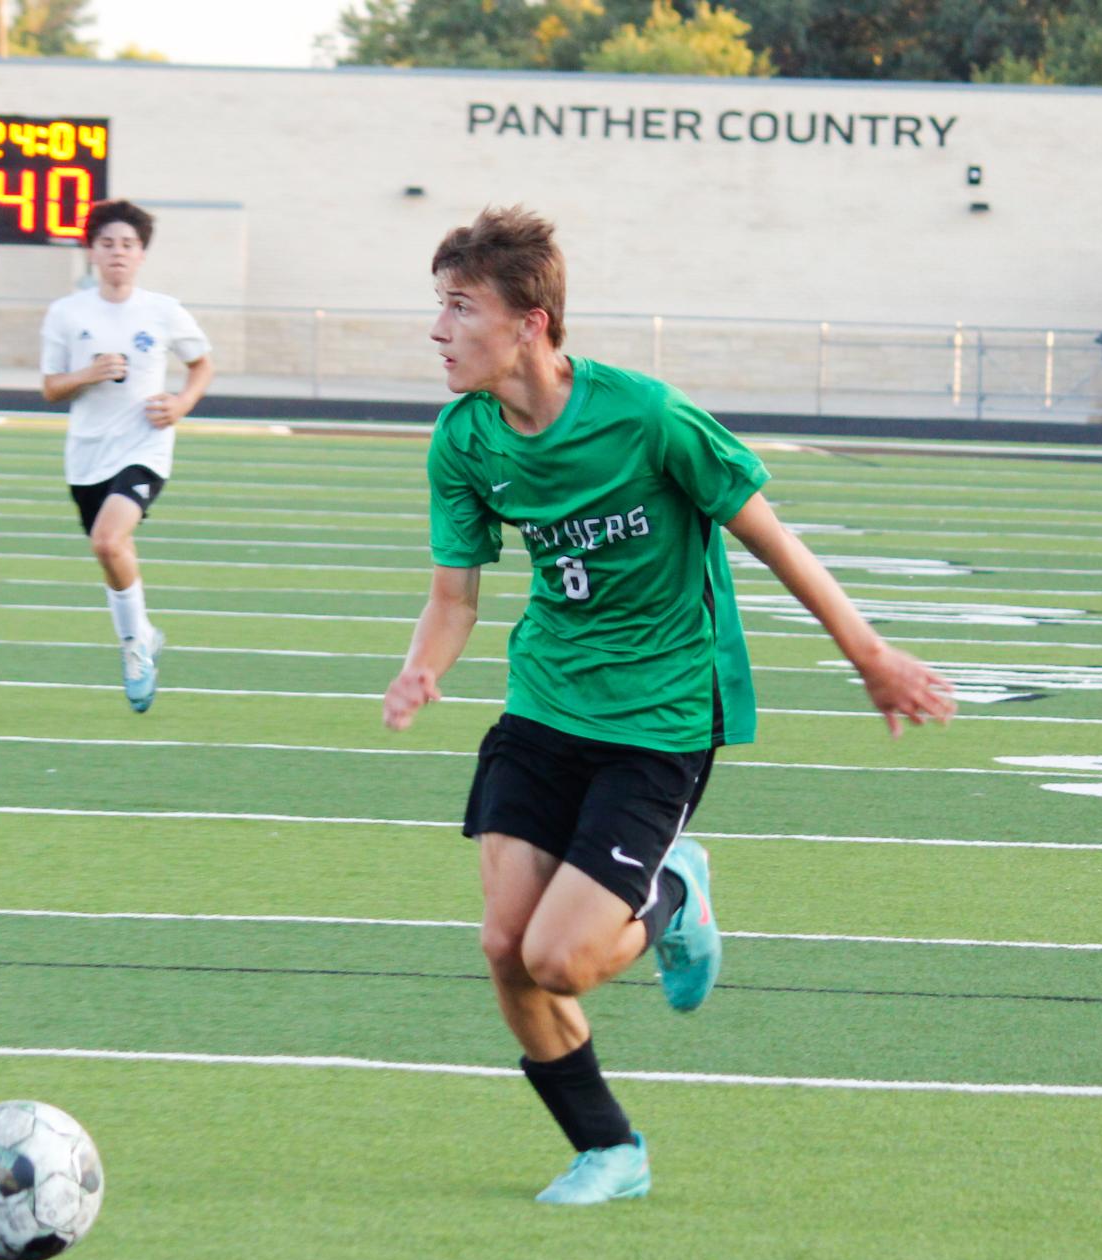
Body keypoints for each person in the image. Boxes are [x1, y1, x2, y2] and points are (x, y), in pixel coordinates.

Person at [382, 207, 954, 1204]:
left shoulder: (647, 417)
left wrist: (868, 655)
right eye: (438, 306)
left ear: (532, 321)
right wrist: (421, 666)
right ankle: (609, 1149)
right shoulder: (464, 440)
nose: (437, 330)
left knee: (559, 960)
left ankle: (675, 893)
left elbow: (771, 536)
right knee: (504, 950)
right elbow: (454, 595)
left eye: (459, 307)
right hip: (545, 706)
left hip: (661, 719)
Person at [40, 200, 214, 712]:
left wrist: (180, 403)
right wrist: (86, 374)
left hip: (145, 446)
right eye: (108, 243)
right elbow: (51, 388)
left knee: (108, 539)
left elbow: (202, 365)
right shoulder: (67, 313)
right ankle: (142, 631)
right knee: (112, 551)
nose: (118, 253)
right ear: (91, 251)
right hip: (87, 455)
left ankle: (134, 647)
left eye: (129, 245)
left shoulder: (163, 310)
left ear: (141, 255)